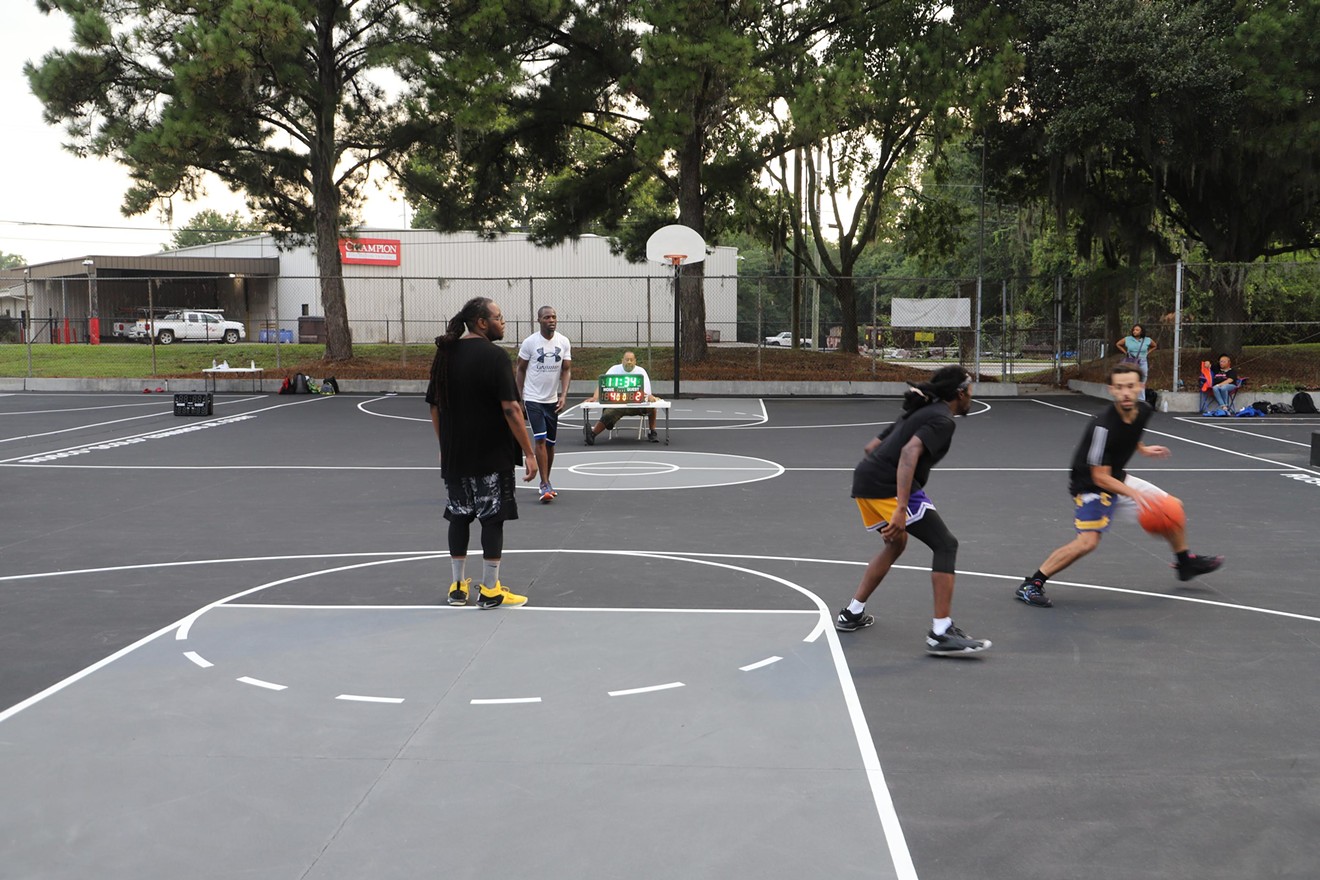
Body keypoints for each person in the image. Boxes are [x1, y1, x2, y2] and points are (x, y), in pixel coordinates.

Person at [1015, 363, 1222, 608]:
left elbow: (1131, 432)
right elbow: (1100, 477)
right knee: (1088, 542)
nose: (1126, 392)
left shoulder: (1143, 410)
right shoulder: (1103, 425)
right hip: (1090, 485)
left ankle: (1184, 562)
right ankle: (1032, 583)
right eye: (1120, 387)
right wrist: (1133, 493)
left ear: (1140, 387)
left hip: (1117, 477)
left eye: (1131, 386)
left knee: (1172, 506)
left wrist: (1143, 449)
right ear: (1111, 390)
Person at [835, 365, 991, 657]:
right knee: (945, 544)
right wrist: (900, 508)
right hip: (885, 486)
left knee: (897, 544)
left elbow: (872, 448)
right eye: (971, 390)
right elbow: (908, 453)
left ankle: (852, 613)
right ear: (960, 392)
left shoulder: (921, 411)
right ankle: (941, 632)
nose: (972, 395)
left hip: (865, 480)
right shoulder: (942, 419)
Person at [426, 297, 541, 610]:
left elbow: (435, 407)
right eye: (499, 317)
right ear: (481, 322)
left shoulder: (445, 355)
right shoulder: (495, 357)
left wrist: (443, 445)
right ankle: (490, 590)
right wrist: (529, 453)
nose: (503, 322)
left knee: (459, 516)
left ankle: (457, 586)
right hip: (491, 454)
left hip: (455, 456)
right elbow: (511, 408)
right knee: (492, 519)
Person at [516, 305, 572, 502]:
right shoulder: (530, 343)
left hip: (552, 400)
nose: (551, 320)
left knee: (550, 444)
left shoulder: (563, 342)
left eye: (554, 317)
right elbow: (520, 369)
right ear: (539, 320)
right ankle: (544, 483)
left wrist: (563, 395)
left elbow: (566, 370)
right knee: (540, 439)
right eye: (547, 317)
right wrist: (520, 397)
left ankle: (547, 480)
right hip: (533, 399)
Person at [581, 351, 662, 444]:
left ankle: (653, 432)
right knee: (607, 414)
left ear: (635, 361)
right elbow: (602, 384)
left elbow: (647, 395)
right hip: (617, 405)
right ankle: (592, 435)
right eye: (627, 360)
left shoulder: (641, 372)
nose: (629, 362)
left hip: (636, 406)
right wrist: (595, 398)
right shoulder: (614, 370)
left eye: (631, 360)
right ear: (622, 360)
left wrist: (650, 397)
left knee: (652, 406)